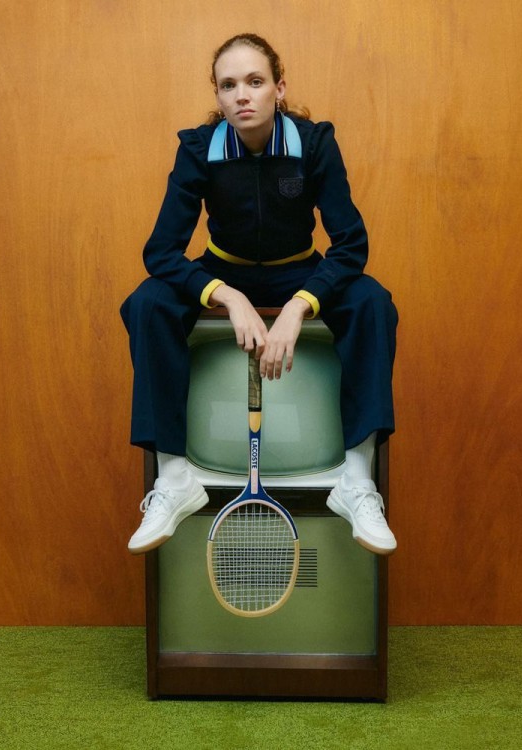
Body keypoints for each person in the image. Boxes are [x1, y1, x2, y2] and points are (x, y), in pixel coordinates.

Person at [121, 33, 398, 556]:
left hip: (299, 272)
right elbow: (160, 252)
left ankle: (357, 481)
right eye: (228, 85)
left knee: (371, 302)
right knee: (147, 302)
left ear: (279, 88)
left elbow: (351, 244)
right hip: (223, 272)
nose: (242, 95)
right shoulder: (198, 149)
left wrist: (300, 304)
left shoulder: (314, 143)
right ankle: (174, 478)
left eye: (255, 81)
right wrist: (226, 296)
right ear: (218, 96)